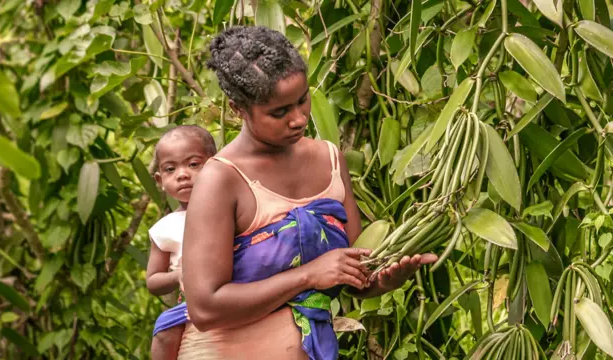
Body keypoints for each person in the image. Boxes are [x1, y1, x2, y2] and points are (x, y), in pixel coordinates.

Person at [180, 26, 438, 360]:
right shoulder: (220, 179)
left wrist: (387, 279)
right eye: (279, 112)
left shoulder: (330, 160)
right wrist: (307, 276)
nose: (299, 119)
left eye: (302, 100)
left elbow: (348, 274)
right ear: (237, 109)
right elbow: (205, 308)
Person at [145, 125, 217, 360]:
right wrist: (179, 275)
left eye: (193, 164)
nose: (182, 174)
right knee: (164, 330)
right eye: (170, 169)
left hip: (239, 291)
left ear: (215, 165)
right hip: (193, 303)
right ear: (160, 179)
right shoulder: (164, 228)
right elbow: (153, 281)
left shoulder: (230, 208)